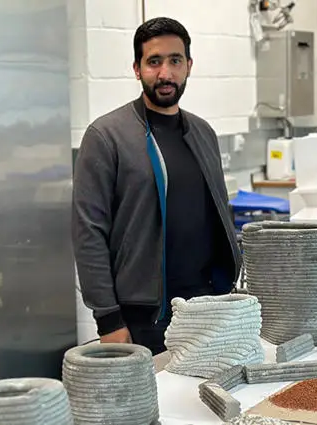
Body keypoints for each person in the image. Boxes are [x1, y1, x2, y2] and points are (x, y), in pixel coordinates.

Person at [71, 17, 242, 355]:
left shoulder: (203, 132)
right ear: (137, 69)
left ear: (189, 66)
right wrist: (108, 319)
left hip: (208, 307)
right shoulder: (107, 136)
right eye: (154, 62)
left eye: (175, 60)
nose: (166, 73)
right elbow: (88, 232)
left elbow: (219, 211)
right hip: (144, 317)